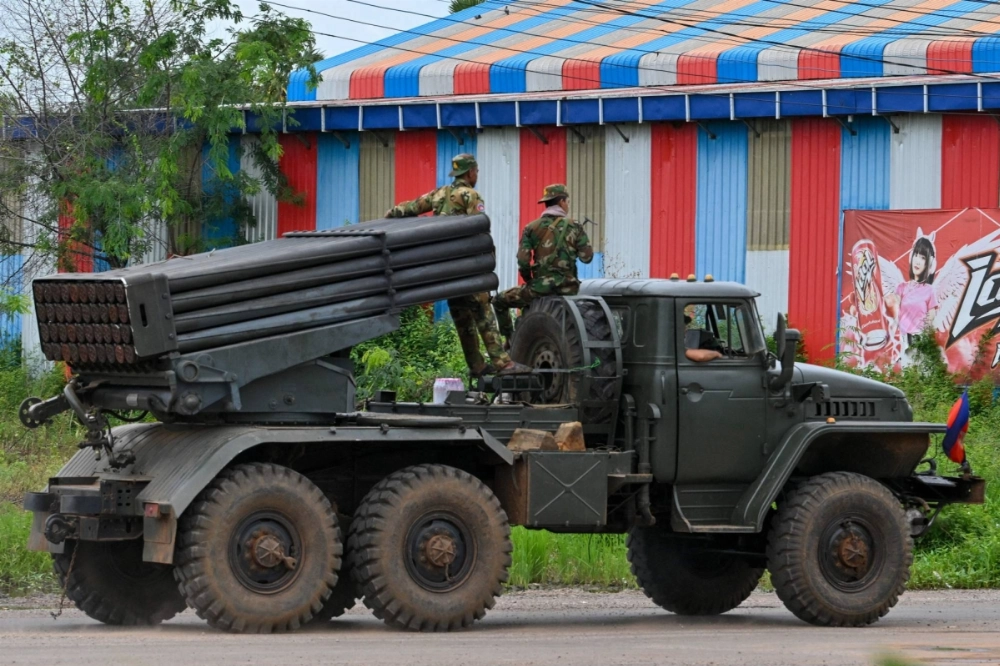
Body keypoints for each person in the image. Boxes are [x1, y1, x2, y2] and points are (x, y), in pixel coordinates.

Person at [386, 153, 531, 377]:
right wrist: (486, 261)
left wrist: (392, 213)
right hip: (467, 267)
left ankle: (477, 366)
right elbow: (480, 228)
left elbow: (412, 207)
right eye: (476, 172)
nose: (477, 176)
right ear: (470, 172)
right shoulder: (470, 195)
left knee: (462, 318)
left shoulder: (438, 194)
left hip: (446, 270)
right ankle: (504, 364)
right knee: (483, 313)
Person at [492, 184, 594, 341]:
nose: (567, 205)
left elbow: (523, 262)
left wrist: (530, 281)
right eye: (567, 201)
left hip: (540, 290)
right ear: (561, 202)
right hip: (569, 288)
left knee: (499, 301)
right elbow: (587, 258)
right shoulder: (575, 226)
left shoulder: (531, 228)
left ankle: (510, 340)